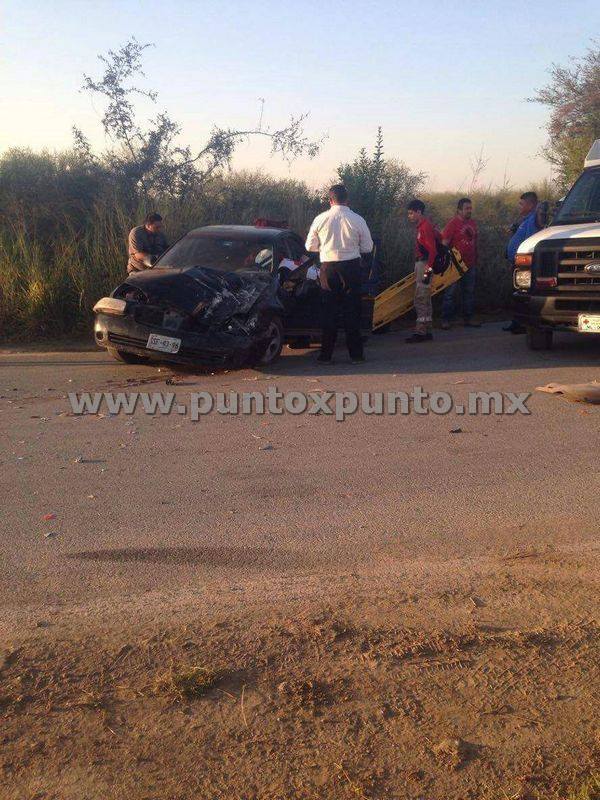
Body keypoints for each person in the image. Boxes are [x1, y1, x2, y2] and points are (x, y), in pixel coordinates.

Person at [305, 184, 373, 364]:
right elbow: (367, 247)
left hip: (328, 269)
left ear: (330, 200)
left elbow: (310, 246)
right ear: (347, 199)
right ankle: (356, 355)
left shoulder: (320, 219)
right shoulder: (357, 219)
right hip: (351, 268)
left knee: (329, 312)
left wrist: (325, 247)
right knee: (352, 311)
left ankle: (325, 355)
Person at [504, 192, 541, 333]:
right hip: (517, 263)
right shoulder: (526, 220)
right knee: (516, 294)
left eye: (522, 203)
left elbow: (529, 243)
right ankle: (517, 322)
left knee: (521, 294)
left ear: (530, 205)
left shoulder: (532, 221)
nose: (519, 206)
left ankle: (521, 324)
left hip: (523, 265)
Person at [441, 198, 480, 329]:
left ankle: (468, 318)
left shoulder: (473, 223)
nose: (469, 210)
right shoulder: (452, 224)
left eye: (470, 208)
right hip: (454, 266)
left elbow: (475, 242)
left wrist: (476, 259)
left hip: (470, 264)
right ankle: (446, 320)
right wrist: (446, 261)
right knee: (450, 294)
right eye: (466, 208)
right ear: (459, 210)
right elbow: (444, 244)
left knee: (469, 293)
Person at [405, 199, 439, 343]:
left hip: (424, 264)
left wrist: (427, 270)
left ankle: (421, 332)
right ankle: (427, 330)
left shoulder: (425, 227)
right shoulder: (423, 226)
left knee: (421, 298)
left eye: (411, 213)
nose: (410, 216)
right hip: (423, 264)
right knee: (425, 298)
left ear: (419, 212)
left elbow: (433, 251)